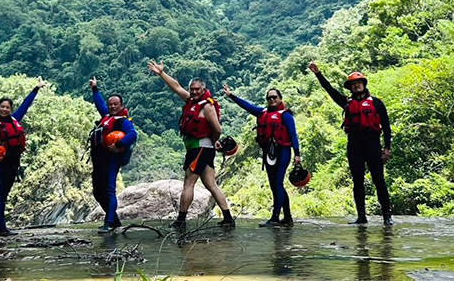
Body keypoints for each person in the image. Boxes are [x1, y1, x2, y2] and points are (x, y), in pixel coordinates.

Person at [147, 59, 234, 229]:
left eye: (197, 90)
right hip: (199, 148)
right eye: (192, 89)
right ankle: (228, 217)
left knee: (189, 183)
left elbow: (218, 128)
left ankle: (181, 220)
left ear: (204, 90)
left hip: (200, 148)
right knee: (210, 184)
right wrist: (161, 74)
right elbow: (177, 87)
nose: (193, 92)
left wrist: (213, 141)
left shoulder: (207, 107)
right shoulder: (191, 100)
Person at [308, 62, 393, 225]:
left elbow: (387, 127)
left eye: (358, 83)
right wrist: (318, 74)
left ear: (364, 84)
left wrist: (387, 148)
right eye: (353, 85)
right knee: (357, 181)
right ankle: (361, 216)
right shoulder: (346, 103)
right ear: (350, 88)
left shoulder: (376, 103)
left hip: (373, 143)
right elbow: (330, 90)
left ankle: (387, 216)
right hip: (354, 144)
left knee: (379, 180)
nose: (356, 86)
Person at [223, 84, 301, 227]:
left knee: (277, 183)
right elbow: (247, 106)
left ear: (280, 98)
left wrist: (297, 154)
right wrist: (232, 96)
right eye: (269, 97)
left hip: (283, 151)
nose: (272, 99)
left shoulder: (286, 115)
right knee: (275, 185)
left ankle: (275, 218)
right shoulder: (262, 112)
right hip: (269, 153)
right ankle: (288, 217)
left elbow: (293, 135)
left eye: (274, 97)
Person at [0, 78, 47, 236]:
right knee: (2, 194)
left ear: (10, 109)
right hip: (1, 164)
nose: (4, 109)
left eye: (7, 107)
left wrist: (36, 89)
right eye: (2, 107)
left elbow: (25, 105)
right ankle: (1, 228)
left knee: (3, 193)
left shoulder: (14, 120)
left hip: (13, 163)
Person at [88, 77, 138, 233]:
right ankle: (114, 220)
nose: (112, 106)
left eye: (116, 104)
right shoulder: (107, 116)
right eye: (111, 104)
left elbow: (132, 135)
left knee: (109, 190)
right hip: (98, 159)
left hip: (111, 159)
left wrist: (118, 145)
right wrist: (95, 89)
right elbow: (100, 104)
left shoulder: (123, 122)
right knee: (97, 191)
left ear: (121, 105)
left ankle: (109, 222)